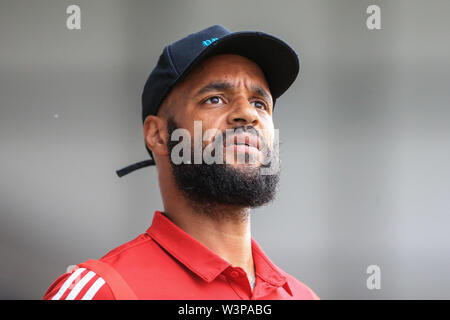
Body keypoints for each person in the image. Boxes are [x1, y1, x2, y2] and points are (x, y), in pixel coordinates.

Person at [43, 25, 319, 300]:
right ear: (158, 135)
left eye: (260, 103)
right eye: (215, 99)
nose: (247, 114)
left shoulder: (302, 296)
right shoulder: (102, 291)